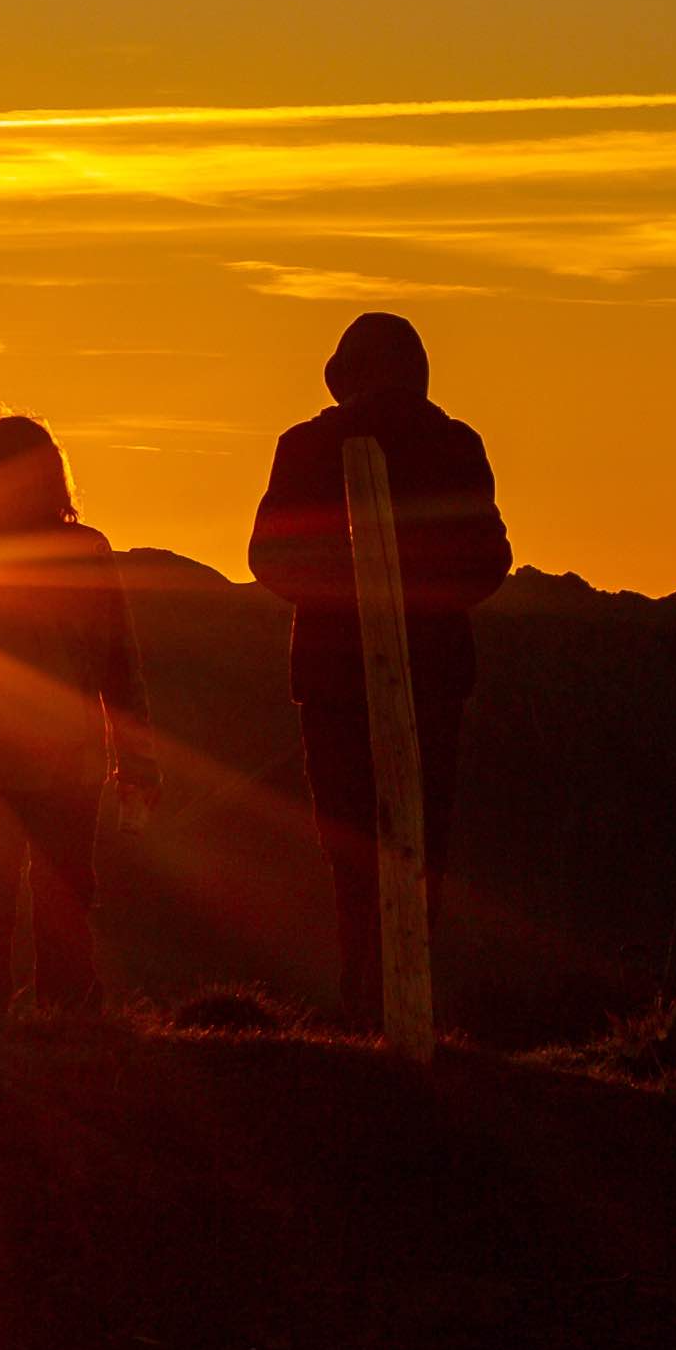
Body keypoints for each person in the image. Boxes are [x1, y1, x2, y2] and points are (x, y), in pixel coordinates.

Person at [246, 311, 512, 1037]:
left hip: (330, 677)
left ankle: (366, 1006)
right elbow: (489, 561)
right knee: (419, 845)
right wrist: (416, 602)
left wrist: (347, 601)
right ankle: (406, 1006)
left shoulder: (304, 448)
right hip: (433, 675)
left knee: (348, 850)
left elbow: (269, 561)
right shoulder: (456, 445)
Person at [0, 415, 153, 1015]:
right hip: (67, 756)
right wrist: (136, 762)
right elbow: (120, 664)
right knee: (65, 893)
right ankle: (66, 1020)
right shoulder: (85, 550)